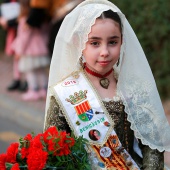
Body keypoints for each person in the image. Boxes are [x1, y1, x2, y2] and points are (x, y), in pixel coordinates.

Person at [44, 0, 170, 169]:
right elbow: (55, 153)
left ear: (122, 41)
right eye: (95, 43)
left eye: (112, 42)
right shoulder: (65, 94)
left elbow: (153, 146)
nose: (105, 52)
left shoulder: (134, 90)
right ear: (78, 43)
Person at [11, 0, 50, 101]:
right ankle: (44, 90)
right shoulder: (42, 19)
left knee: (30, 72)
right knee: (41, 71)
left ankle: (34, 90)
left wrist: (19, 51)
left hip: (28, 51)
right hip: (41, 49)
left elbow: (23, 38)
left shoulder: (25, 20)